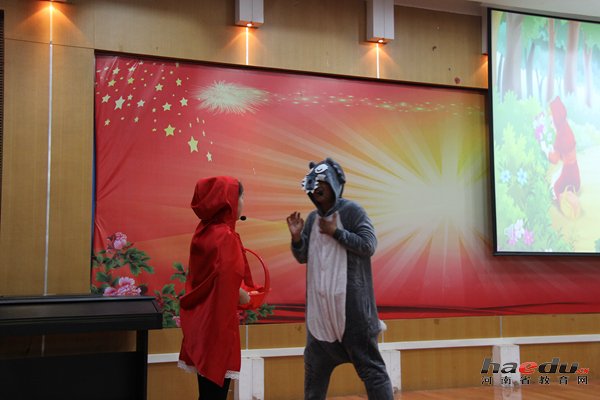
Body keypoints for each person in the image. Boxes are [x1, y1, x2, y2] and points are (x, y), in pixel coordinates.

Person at [286, 158, 394, 400]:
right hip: (320, 319)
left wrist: (336, 232)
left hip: (353, 316)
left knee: (373, 372)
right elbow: (303, 257)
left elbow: (368, 245)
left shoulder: (353, 211)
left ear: (334, 184)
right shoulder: (312, 219)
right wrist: (297, 238)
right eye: (314, 185)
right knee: (314, 379)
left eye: (322, 183)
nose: (317, 189)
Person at [178, 176, 253, 400]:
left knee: (207, 393)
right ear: (228, 201)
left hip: (202, 321)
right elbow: (226, 282)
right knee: (215, 394)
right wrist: (244, 295)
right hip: (217, 324)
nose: (243, 201)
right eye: (241, 196)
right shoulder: (225, 236)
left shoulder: (204, 232)